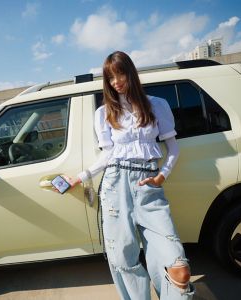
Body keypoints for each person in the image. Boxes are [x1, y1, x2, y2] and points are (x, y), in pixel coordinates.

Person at [65, 51, 194, 300]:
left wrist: (161, 177)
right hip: (115, 184)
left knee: (176, 262)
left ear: (130, 72)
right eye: (110, 78)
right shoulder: (103, 113)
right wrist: (80, 177)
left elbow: (173, 149)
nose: (116, 82)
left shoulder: (157, 105)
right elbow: (107, 155)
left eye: (120, 73)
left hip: (148, 183)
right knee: (123, 257)